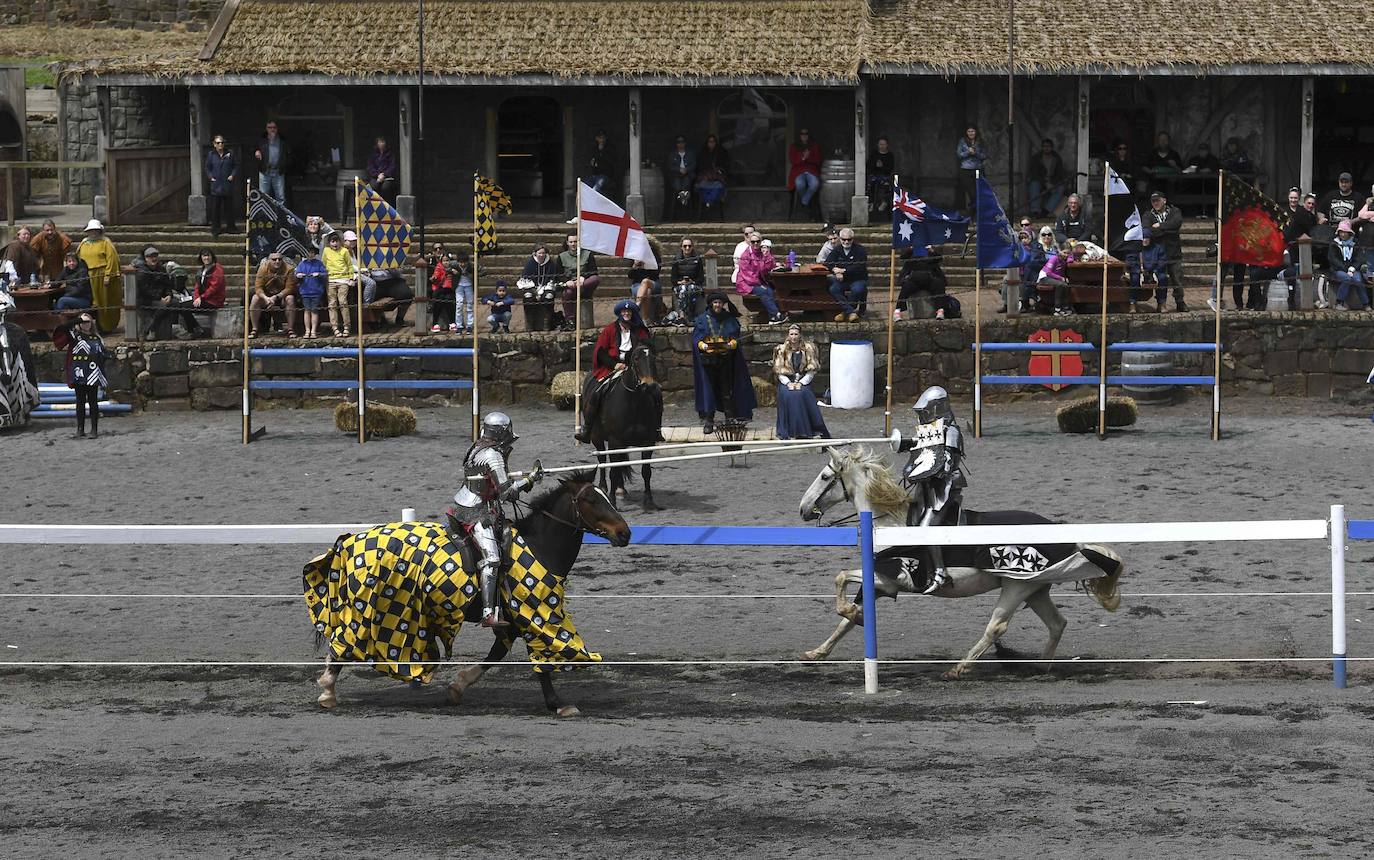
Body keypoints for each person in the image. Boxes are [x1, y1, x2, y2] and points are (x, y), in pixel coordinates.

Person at [450, 412, 544, 627]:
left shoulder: (478, 447)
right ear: (502, 433)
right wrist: (530, 479)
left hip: (472, 503)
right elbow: (506, 493)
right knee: (492, 559)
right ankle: (487, 614)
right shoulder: (493, 455)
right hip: (476, 511)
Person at [894, 386, 967, 594]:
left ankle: (941, 573)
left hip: (945, 486)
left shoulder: (951, 432)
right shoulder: (931, 431)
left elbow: (947, 463)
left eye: (927, 410)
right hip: (927, 486)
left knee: (926, 528)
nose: (924, 415)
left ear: (937, 408)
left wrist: (929, 470)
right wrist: (906, 445)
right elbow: (924, 450)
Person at [577, 299, 652, 443]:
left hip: (636, 368)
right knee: (596, 393)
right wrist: (615, 364)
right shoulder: (610, 330)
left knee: (654, 392)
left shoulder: (639, 330)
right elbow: (600, 352)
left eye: (629, 311)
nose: (626, 313)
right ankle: (588, 429)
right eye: (624, 311)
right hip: (612, 367)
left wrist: (636, 360)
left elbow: (646, 347)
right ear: (619, 313)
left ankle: (656, 429)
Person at [692, 292, 755, 434]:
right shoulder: (702, 319)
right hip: (708, 362)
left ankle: (730, 418)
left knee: (726, 390)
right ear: (711, 304)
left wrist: (733, 343)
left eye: (720, 303)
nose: (717, 305)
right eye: (715, 302)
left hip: (725, 360)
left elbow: (735, 335)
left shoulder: (729, 319)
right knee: (709, 389)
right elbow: (696, 338)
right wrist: (701, 345)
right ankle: (709, 420)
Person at [51, 312, 106, 439]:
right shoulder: (74, 336)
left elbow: (102, 355)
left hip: (92, 374)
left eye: (87, 322)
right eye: (83, 322)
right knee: (80, 401)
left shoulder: (97, 338)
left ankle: (94, 429)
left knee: (93, 401)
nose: (85, 325)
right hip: (78, 374)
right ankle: (80, 429)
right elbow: (61, 329)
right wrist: (77, 320)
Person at [772, 325, 830, 440]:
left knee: (801, 394)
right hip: (786, 381)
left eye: (796, 334)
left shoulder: (808, 349)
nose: (793, 337)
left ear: (800, 336)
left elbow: (811, 371)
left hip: (803, 380)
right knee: (788, 395)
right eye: (791, 334)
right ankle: (790, 430)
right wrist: (788, 383)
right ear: (788, 335)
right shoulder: (781, 350)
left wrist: (801, 383)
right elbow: (779, 372)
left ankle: (807, 429)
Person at [136, 246, 203, 341]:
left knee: (179, 304)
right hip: (147, 299)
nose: (154, 259)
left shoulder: (161, 269)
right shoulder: (142, 271)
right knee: (164, 306)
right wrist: (160, 298)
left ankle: (194, 328)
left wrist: (169, 295)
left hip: (162, 297)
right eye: (151, 257)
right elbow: (145, 290)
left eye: (155, 256)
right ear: (146, 258)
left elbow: (167, 285)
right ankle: (151, 329)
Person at [1146, 190, 1188, 312]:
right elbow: (1147, 228)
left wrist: (1160, 226)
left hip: (1174, 252)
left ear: (1164, 200)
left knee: (1177, 279)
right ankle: (1161, 303)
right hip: (1158, 253)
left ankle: (1180, 302)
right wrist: (1167, 228)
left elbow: (1176, 223)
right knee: (1161, 280)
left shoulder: (1175, 211)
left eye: (1157, 200)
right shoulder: (1148, 215)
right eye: (1153, 201)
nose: (1155, 203)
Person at [735, 231, 787, 325]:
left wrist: (768, 257)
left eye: (757, 241)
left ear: (761, 242)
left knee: (772, 290)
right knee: (764, 291)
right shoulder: (746, 255)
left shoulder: (761, 253)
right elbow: (747, 274)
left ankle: (774, 316)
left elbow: (768, 268)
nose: (755, 244)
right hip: (746, 283)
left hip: (760, 281)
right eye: (753, 242)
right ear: (750, 242)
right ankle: (775, 314)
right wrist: (759, 284)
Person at [249, 251, 299, 337]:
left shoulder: (289, 269)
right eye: (274, 259)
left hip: (282, 296)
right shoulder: (262, 269)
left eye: (279, 259)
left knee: (290, 298)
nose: (277, 261)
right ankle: (255, 329)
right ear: (268, 260)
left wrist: (276, 297)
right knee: (255, 298)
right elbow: (258, 287)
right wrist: (266, 298)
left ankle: (290, 329)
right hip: (267, 296)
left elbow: (289, 288)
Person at [556, 234, 599, 331]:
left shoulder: (588, 254)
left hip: (585, 285)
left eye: (575, 242)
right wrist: (566, 282)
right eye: (571, 242)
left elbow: (594, 271)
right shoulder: (562, 256)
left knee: (595, 279)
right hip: (571, 286)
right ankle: (570, 321)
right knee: (567, 293)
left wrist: (583, 278)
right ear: (567, 243)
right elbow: (558, 274)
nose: (573, 244)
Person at [823, 228, 868, 321]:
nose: (846, 242)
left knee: (858, 290)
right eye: (844, 239)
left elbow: (859, 267)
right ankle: (850, 312)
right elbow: (827, 263)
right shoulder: (837, 249)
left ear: (853, 239)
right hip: (842, 280)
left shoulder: (860, 250)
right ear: (840, 239)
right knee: (833, 289)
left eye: (849, 239)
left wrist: (843, 271)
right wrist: (835, 270)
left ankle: (845, 312)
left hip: (858, 278)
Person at [1328, 220, 1370, 311]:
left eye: (1345, 232)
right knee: (1347, 278)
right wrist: (1346, 269)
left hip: (1353, 269)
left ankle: (1365, 304)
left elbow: (1360, 258)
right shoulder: (1334, 243)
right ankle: (1339, 302)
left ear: (1349, 233)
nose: (1343, 234)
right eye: (1341, 232)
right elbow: (1332, 259)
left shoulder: (1355, 243)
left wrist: (1353, 268)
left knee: (1358, 280)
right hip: (1338, 269)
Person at [321, 231, 354, 337]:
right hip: (330, 280)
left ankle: (346, 326)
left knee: (343, 302)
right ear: (329, 243)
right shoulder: (326, 251)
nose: (335, 244)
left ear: (340, 242)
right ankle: (334, 327)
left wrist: (351, 278)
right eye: (332, 242)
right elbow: (323, 264)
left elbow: (349, 265)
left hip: (343, 280)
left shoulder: (344, 251)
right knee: (332, 303)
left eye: (337, 242)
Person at [1126, 227, 1168, 312]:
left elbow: (1162, 261)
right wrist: (1139, 270)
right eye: (1143, 238)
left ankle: (1161, 303)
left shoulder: (1157, 248)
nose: (1144, 240)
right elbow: (1130, 261)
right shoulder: (1135, 248)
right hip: (1139, 271)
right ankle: (1133, 303)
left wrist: (1155, 270)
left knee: (1163, 278)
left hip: (1154, 271)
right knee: (1134, 278)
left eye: (1147, 238)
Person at [204, 134, 238, 237]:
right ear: (214, 144)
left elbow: (235, 166)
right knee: (215, 209)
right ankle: (216, 229)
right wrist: (210, 177)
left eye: (222, 142)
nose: (220, 145)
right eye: (218, 143)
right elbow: (207, 167)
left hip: (227, 184)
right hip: (216, 185)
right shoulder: (211, 155)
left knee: (229, 208)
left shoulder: (230, 153)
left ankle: (231, 227)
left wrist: (232, 175)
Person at [1038, 243, 1086, 316]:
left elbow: (1070, 260)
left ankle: (1065, 307)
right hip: (1045, 277)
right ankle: (1057, 308)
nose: (1066, 255)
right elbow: (1048, 272)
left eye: (1068, 253)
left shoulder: (1065, 259)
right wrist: (1061, 278)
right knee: (1061, 284)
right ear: (1059, 251)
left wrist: (1070, 257)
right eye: (1064, 252)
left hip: (1056, 278)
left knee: (1066, 285)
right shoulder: (1054, 259)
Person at [666, 237, 704, 327]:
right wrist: (680, 282)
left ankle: (691, 314)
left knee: (691, 289)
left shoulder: (697, 259)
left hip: (693, 284)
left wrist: (692, 281)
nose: (687, 248)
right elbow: (673, 279)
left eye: (689, 246)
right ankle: (682, 316)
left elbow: (701, 278)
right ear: (681, 247)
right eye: (685, 246)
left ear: (692, 247)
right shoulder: (676, 259)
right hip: (680, 285)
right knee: (683, 290)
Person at [519, 244, 559, 330]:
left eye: (543, 253)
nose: (541, 255)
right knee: (528, 297)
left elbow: (553, 278)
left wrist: (545, 288)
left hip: (546, 287)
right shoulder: (530, 263)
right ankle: (530, 324)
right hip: (532, 287)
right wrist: (534, 291)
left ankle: (547, 323)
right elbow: (525, 278)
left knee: (549, 297)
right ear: (535, 253)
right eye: (539, 253)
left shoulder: (551, 264)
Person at [1027, 138, 1066, 217]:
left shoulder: (1056, 158)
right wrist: (1045, 183)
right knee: (1034, 185)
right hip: (1040, 181)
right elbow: (1034, 174)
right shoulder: (1037, 158)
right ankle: (1035, 211)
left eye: (1048, 146)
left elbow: (1060, 174)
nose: (1046, 148)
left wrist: (1053, 183)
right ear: (1042, 147)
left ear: (1051, 147)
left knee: (1060, 188)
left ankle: (1046, 211)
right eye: (1044, 146)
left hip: (1052, 181)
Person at [294, 245, 327, 338]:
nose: (310, 254)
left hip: (316, 291)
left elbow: (325, 274)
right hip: (305, 291)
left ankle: (313, 331)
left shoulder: (319, 263)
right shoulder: (301, 264)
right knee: (307, 310)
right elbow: (296, 275)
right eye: (308, 252)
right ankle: (307, 331)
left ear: (315, 254)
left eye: (312, 252)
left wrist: (319, 274)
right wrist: (298, 275)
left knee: (314, 310)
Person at [788, 128, 822, 212]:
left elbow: (818, 159)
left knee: (815, 184)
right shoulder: (794, 146)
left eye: (806, 134)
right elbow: (793, 160)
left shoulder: (814, 146)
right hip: (798, 171)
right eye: (802, 134)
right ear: (799, 136)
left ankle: (804, 202)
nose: (804, 136)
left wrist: (809, 157)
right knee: (799, 184)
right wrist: (803, 157)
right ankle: (807, 204)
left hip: (811, 170)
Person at [254, 120, 289, 203]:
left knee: (280, 197)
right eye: (270, 127)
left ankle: (280, 216)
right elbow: (254, 148)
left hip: (278, 172)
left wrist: (284, 164)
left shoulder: (282, 141)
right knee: (263, 196)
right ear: (266, 129)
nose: (272, 129)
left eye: (274, 127)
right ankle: (265, 216)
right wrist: (256, 151)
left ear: (277, 129)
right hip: (265, 171)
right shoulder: (262, 141)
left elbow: (288, 154)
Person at [627, 244, 662, 325]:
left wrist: (646, 266)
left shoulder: (655, 255)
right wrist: (635, 266)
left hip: (653, 282)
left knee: (645, 281)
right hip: (637, 284)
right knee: (647, 291)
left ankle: (636, 306)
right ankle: (645, 319)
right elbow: (630, 275)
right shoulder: (634, 256)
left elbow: (656, 274)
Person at [192, 248, 226, 331]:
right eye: (204, 256)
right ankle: (195, 328)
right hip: (203, 299)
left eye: (208, 256)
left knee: (185, 307)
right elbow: (197, 285)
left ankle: (195, 329)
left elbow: (214, 288)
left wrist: (201, 297)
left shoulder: (217, 269)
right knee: (182, 306)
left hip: (213, 301)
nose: (206, 258)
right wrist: (196, 297)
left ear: (212, 257)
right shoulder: (202, 270)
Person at [695, 134, 729, 214]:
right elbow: (700, 167)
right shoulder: (702, 153)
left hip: (717, 178)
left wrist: (718, 171)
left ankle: (708, 202)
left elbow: (725, 166)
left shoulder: (721, 152)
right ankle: (708, 202)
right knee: (702, 186)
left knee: (718, 186)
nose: (711, 144)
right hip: (705, 178)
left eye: (713, 142)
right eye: (710, 142)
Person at [955, 126, 986, 214]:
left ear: (976, 132)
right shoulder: (962, 141)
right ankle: (972, 213)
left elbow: (984, 155)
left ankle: (977, 214)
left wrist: (975, 153)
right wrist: (968, 152)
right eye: (969, 131)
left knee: (978, 193)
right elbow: (959, 154)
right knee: (971, 193)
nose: (971, 133)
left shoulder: (980, 141)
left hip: (978, 169)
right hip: (966, 169)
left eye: (972, 131)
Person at [1144, 131, 1184, 196]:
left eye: (1165, 140)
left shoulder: (1174, 154)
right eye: (1161, 140)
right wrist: (1150, 171)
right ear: (1158, 141)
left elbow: (1181, 171)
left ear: (1169, 141)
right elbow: (1144, 166)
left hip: (1170, 186)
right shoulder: (1152, 153)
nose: (1163, 142)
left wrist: (1175, 166)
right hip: (1155, 184)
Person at [448, 249, 478, 334]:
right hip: (459, 286)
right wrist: (452, 271)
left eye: (464, 262)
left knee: (469, 305)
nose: (462, 264)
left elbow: (482, 271)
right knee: (459, 305)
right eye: (460, 262)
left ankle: (470, 325)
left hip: (469, 286)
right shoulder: (455, 265)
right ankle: (459, 325)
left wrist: (470, 275)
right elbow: (446, 268)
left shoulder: (471, 266)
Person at [667, 135, 696, 212]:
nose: (681, 144)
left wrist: (686, 169)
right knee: (677, 185)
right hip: (676, 175)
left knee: (686, 183)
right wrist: (679, 169)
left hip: (687, 174)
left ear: (685, 143)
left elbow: (694, 164)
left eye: (682, 142)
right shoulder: (672, 154)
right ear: (676, 144)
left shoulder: (690, 153)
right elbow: (670, 166)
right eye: (679, 142)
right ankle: (683, 200)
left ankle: (681, 199)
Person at [868, 137, 897, 215]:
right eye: (880, 144)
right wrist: (876, 165)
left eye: (884, 144)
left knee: (886, 185)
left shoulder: (890, 156)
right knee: (870, 185)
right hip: (874, 175)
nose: (882, 146)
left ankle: (884, 202)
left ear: (887, 145)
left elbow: (890, 168)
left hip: (885, 176)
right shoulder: (874, 155)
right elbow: (869, 166)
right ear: (878, 145)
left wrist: (882, 166)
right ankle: (871, 203)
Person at [428, 251, 455, 333]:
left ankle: (452, 322)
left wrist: (456, 273)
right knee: (438, 301)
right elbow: (436, 275)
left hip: (449, 290)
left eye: (447, 260)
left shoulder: (454, 267)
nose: (446, 262)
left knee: (449, 301)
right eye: (444, 261)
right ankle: (435, 323)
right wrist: (434, 277)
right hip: (439, 289)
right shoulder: (439, 267)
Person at [365, 137, 397, 203]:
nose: (381, 144)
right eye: (380, 142)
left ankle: (387, 206)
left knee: (386, 188)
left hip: (387, 177)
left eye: (383, 142)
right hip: (375, 177)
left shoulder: (390, 154)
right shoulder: (373, 154)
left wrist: (384, 174)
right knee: (373, 186)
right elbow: (370, 167)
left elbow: (392, 166)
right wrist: (377, 175)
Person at [586, 130, 616, 194]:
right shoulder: (594, 149)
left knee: (596, 189)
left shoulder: (610, 148)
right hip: (595, 175)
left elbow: (611, 162)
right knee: (585, 187)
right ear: (597, 138)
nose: (602, 140)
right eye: (600, 138)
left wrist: (602, 152)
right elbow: (592, 161)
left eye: (603, 138)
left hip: (606, 176)